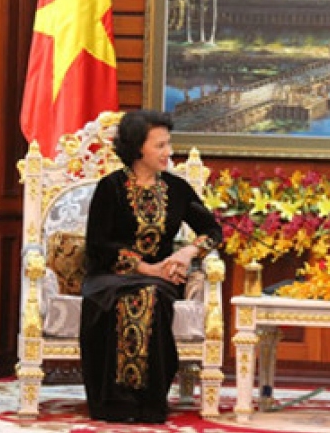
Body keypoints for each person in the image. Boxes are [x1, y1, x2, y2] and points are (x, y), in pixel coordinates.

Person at [80, 110, 223, 423]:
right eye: (160, 145)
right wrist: (147, 268)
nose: (168, 152)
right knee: (128, 297)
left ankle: (148, 403)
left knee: (151, 295)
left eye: (168, 144)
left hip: (162, 280)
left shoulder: (177, 189)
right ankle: (115, 403)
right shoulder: (110, 188)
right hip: (109, 277)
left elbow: (213, 231)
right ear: (137, 148)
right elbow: (98, 246)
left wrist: (188, 253)